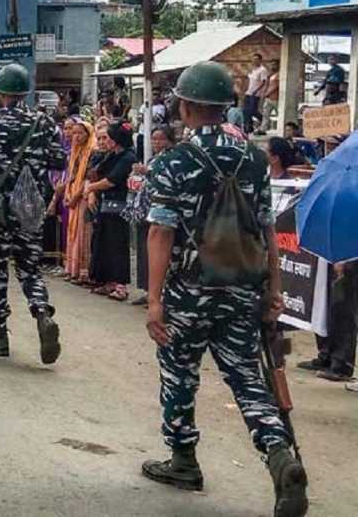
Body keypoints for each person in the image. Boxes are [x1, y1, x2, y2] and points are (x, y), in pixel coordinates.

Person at [141, 61, 306, 516]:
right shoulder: (255, 160)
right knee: (248, 379)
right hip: (242, 289)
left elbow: (160, 233)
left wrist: (155, 302)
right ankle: (278, 453)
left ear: (188, 106)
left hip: (188, 292)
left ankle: (183, 460)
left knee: (180, 374)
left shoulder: (173, 161)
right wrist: (274, 289)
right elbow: (267, 231)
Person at [0, 62, 66, 363]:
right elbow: (59, 161)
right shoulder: (45, 122)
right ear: (25, 91)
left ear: (0, 92)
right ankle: (41, 313)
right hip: (31, 206)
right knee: (30, 267)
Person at [84, 122, 136, 301]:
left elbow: (112, 180)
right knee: (103, 244)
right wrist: (92, 189)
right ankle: (107, 281)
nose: (107, 141)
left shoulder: (128, 157)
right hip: (105, 204)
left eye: (109, 137)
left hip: (120, 206)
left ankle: (121, 285)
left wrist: (91, 188)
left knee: (118, 246)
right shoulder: (112, 155)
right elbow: (96, 173)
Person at [130, 125, 177, 306]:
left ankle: (161, 293)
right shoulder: (153, 159)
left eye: (160, 139)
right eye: (154, 139)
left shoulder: (172, 160)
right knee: (144, 252)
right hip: (145, 210)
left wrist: (148, 172)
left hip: (161, 213)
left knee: (160, 254)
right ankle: (148, 290)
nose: (156, 143)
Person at [61, 120, 96, 284]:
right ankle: (71, 269)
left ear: (88, 134)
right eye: (74, 133)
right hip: (73, 194)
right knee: (72, 233)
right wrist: (68, 193)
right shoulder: (75, 152)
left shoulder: (91, 152)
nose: (76, 136)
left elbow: (87, 178)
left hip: (83, 196)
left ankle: (83, 272)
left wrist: (75, 196)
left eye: (80, 133)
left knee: (82, 234)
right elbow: (71, 176)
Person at [243, 53, 269, 134]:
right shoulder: (253, 70)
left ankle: (263, 120)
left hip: (255, 94)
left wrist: (256, 91)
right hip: (248, 92)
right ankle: (248, 128)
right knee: (245, 111)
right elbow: (249, 80)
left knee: (252, 111)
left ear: (260, 60)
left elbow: (263, 82)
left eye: (256, 59)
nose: (254, 61)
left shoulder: (262, 70)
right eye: (253, 59)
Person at [258, 60, 279, 135]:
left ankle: (281, 129)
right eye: (271, 65)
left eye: (274, 65)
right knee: (265, 114)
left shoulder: (279, 74)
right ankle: (263, 129)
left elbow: (275, 86)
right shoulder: (270, 75)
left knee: (279, 114)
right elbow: (267, 85)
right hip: (268, 99)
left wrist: (266, 93)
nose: (272, 66)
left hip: (275, 99)